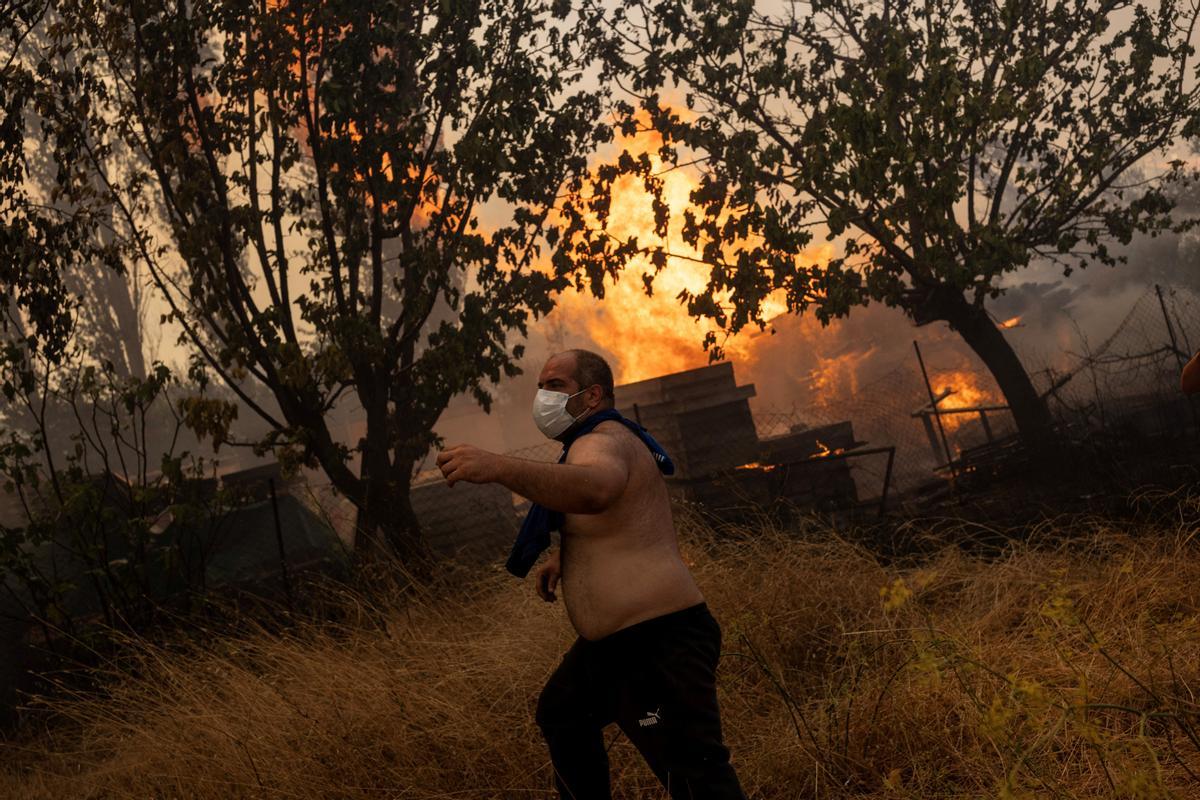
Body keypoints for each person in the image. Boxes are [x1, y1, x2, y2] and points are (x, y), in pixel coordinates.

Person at [436, 349, 747, 799]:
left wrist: (499, 467)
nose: (543, 395)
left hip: (656, 643)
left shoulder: (602, 439)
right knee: (562, 713)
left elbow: (598, 488)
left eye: (556, 385)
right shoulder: (602, 441)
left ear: (593, 394)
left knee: (697, 778)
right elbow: (625, 516)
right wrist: (568, 556)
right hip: (616, 645)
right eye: (541, 386)